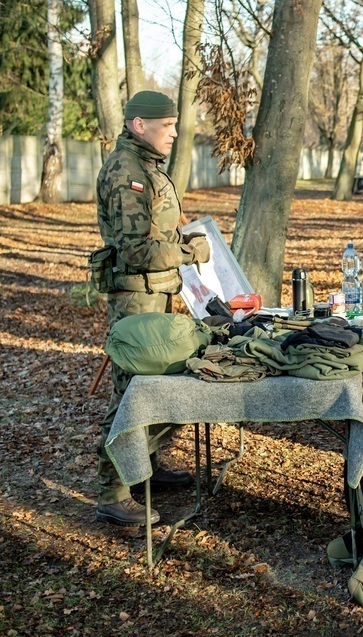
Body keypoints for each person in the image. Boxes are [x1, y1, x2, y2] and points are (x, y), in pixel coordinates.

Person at [94, 90, 211, 527]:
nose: (175, 133)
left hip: (156, 295)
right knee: (130, 393)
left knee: (157, 387)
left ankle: (147, 467)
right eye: (168, 126)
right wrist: (188, 252)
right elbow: (137, 249)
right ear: (139, 125)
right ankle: (113, 491)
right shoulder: (127, 172)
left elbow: (156, 230)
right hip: (136, 299)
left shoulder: (145, 167)